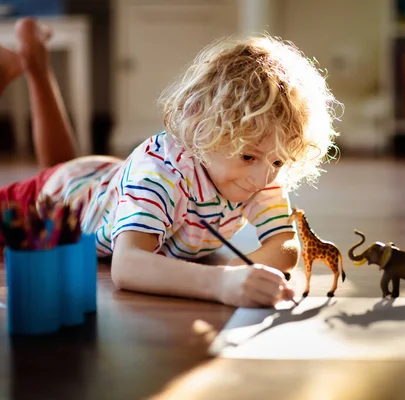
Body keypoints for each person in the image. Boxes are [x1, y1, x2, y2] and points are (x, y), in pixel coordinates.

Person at [0, 18, 342, 308]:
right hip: (65, 194)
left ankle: (35, 61)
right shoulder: (163, 175)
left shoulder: (261, 170)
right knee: (59, 174)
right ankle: (12, 70)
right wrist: (221, 283)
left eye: (278, 160)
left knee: (65, 164)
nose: (262, 176)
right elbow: (127, 266)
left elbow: (284, 246)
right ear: (200, 130)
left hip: (103, 183)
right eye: (249, 156)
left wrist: (244, 274)